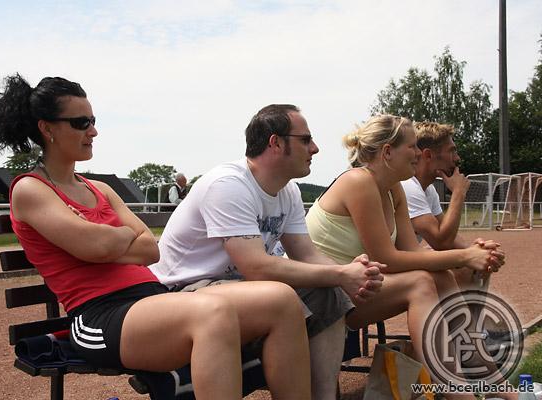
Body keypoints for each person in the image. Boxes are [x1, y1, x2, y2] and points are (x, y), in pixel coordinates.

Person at [0, 74, 311, 400]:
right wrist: (116, 237)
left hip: (153, 299)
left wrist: (104, 237)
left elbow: (149, 250)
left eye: (93, 121)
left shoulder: (100, 189)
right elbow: (97, 246)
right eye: (81, 122)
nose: (93, 131)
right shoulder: (30, 189)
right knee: (212, 313)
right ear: (47, 129)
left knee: (281, 301)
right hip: (98, 316)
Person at [150, 104, 386, 400]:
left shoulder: (288, 191)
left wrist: (353, 275)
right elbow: (256, 267)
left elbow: (306, 254)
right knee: (281, 296)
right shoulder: (229, 184)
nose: (315, 148)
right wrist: (340, 273)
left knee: (327, 293)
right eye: (305, 140)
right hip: (181, 291)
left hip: (233, 287)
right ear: (275, 143)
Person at [305, 115, 508, 400]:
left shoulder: (394, 188)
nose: (417, 153)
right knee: (420, 283)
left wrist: (471, 255)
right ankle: (459, 394)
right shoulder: (358, 182)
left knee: (438, 276)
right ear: (388, 152)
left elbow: (412, 252)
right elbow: (387, 259)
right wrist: (465, 256)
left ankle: (490, 378)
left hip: (353, 291)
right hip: (319, 299)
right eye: (412, 147)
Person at [400, 121, 504, 290]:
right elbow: (441, 242)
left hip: (401, 262)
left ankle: (469, 309)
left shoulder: (428, 190)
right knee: (459, 269)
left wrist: (481, 252)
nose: (457, 158)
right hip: (380, 268)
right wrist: (458, 193)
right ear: (428, 155)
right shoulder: (408, 186)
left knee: (473, 265)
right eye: (452, 151)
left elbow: (448, 238)